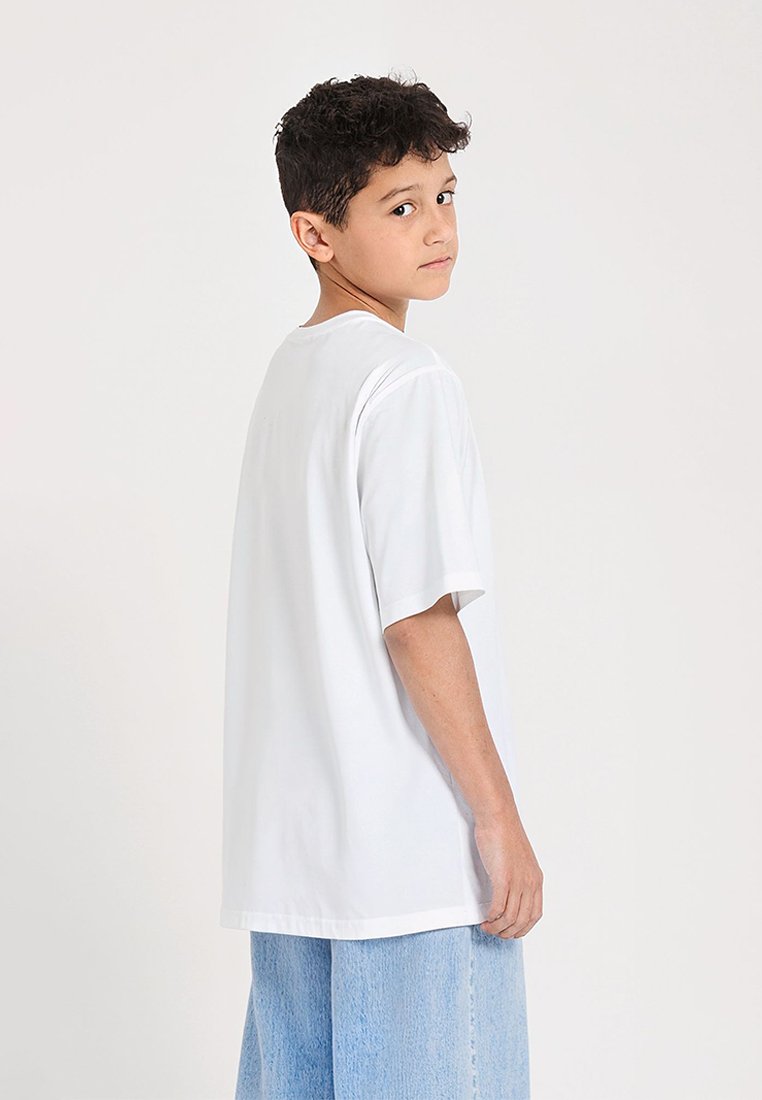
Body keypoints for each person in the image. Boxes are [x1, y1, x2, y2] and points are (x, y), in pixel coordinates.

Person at [221, 72, 543, 1100]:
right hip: (410, 867)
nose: (437, 227)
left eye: (444, 195)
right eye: (400, 208)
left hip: (296, 869)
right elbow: (418, 618)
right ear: (314, 233)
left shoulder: (294, 376)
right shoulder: (405, 381)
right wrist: (497, 816)